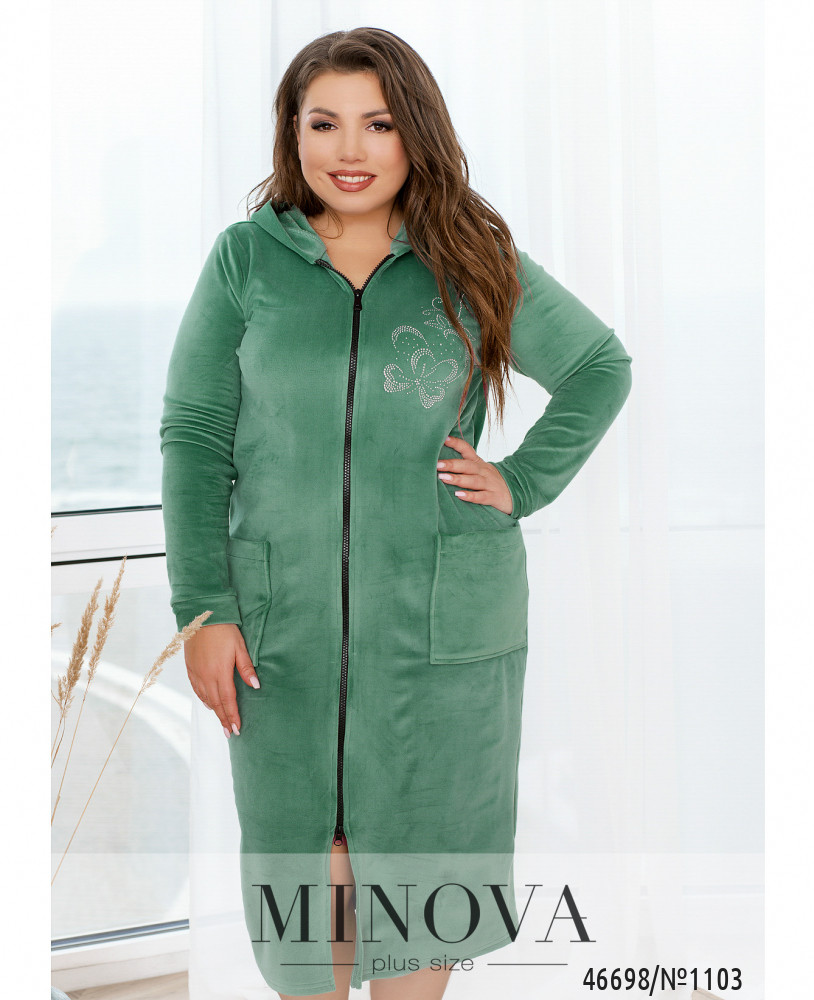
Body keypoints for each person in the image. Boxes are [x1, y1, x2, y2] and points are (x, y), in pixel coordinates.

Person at [160, 26, 632, 1000]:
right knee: (311, 875)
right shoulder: (245, 262)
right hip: (283, 631)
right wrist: (202, 607)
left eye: (378, 124)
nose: (350, 150)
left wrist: (523, 479)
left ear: (415, 133)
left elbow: (597, 366)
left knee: (422, 871)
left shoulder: (470, 256)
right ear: (291, 133)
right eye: (323, 123)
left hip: (440, 625)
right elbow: (195, 438)